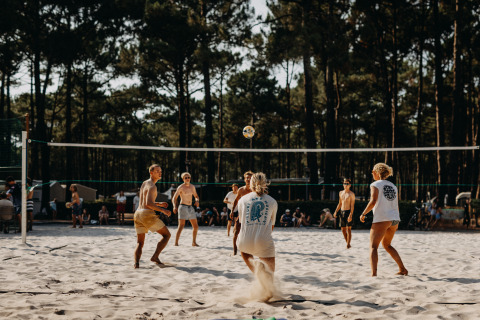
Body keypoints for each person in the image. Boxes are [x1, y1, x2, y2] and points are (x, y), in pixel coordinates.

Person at [360, 163, 408, 277]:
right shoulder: (393, 186)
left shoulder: (375, 184)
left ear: (376, 172)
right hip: (395, 219)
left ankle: (374, 274)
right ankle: (403, 269)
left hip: (383, 218)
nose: (372, 173)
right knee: (387, 245)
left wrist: (363, 213)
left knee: (373, 247)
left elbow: (373, 201)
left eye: (373, 171)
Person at [237, 172, 278, 300]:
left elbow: (241, 222)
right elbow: (271, 226)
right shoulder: (272, 201)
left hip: (244, 239)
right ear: (265, 184)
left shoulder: (243, 200)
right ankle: (267, 292)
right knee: (270, 274)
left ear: (251, 184)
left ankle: (257, 270)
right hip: (263, 239)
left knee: (244, 251)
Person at [133, 164, 172, 268]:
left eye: (160, 171)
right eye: (157, 171)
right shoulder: (153, 186)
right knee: (167, 235)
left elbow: (145, 201)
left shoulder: (145, 183)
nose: (160, 173)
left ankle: (136, 264)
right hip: (146, 214)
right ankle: (155, 256)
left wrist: (158, 204)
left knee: (140, 242)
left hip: (138, 214)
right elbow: (148, 204)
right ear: (151, 173)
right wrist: (163, 210)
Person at [172, 172, 200, 247]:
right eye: (186, 178)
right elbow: (174, 198)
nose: (187, 179)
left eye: (188, 177)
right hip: (182, 207)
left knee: (195, 226)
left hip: (190, 207)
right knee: (181, 226)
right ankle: (176, 242)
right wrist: (174, 206)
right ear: (183, 179)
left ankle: (194, 242)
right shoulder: (181, 187)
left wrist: (197, 200)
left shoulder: (192, 187)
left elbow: (196, 196)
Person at [231, 171, 254, 255]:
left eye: (250, 177)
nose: (248, 179)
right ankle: (234, 251)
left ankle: (249, 251)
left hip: (251, 216)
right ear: (244, 179)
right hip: (241, 215)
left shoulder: (255, 190)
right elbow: (236, 200)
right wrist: (232, 211)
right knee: (235, 233)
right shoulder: (241, 190)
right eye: (247, 178)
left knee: (249, 235)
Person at [333, 178, 355, 248]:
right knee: (343, 229)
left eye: (347, 184)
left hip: (348, 212)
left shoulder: (351, 194)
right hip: (342, 211)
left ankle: (348, 244)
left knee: (348, 229)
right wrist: (336, 211)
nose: (346, 185)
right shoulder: (340, 193)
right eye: (345, 183)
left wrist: (350, 215)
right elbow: (339, 203)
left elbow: (352, 206)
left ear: (350, 185)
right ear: (343, 184)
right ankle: (347, 243)